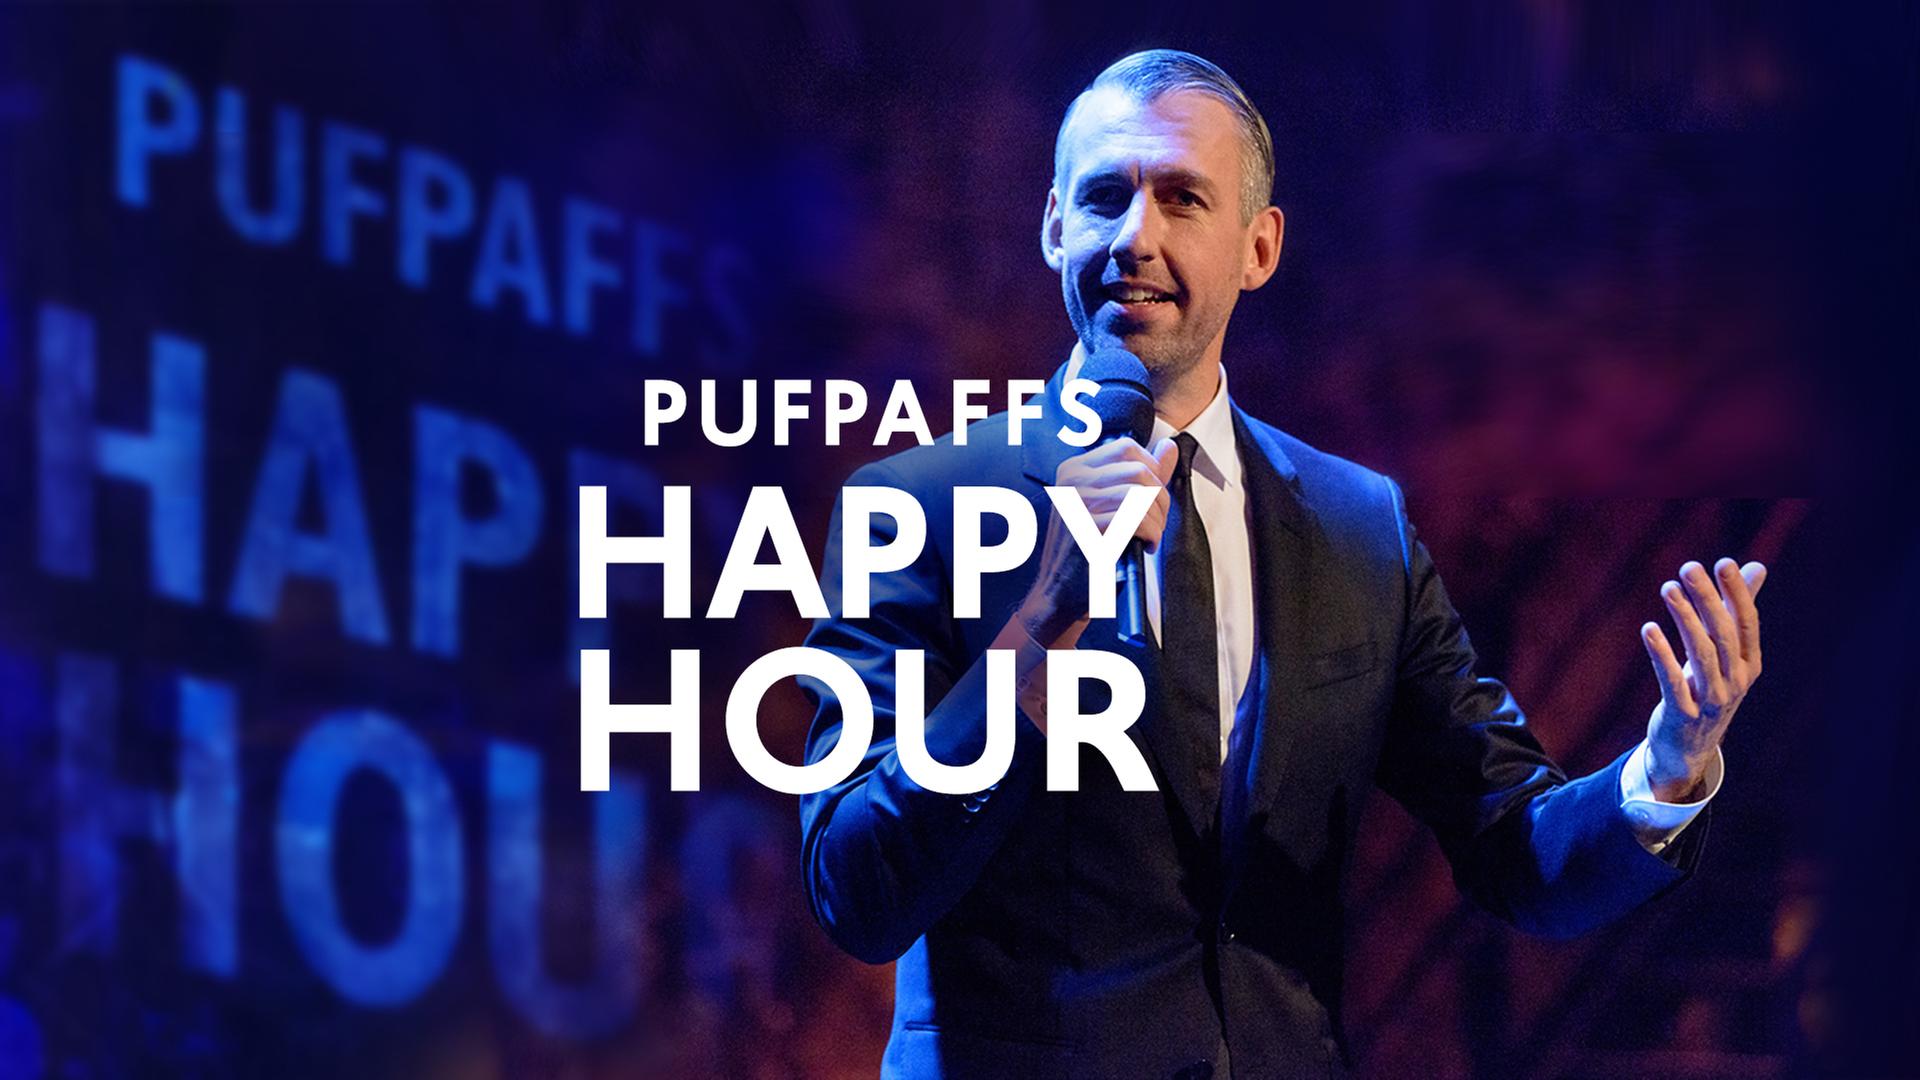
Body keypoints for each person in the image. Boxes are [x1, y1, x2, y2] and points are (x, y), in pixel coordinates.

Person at [796, 49, 1767, 1079]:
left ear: (1259, 247)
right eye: (1104, 196)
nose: (1134, 237)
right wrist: (1037, 635)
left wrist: (1666, 769)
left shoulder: (1358, 528)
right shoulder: (920, 507)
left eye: (1182, 199)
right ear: (1052, 227)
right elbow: (856, 891)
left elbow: (1511, 843)